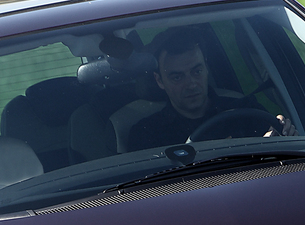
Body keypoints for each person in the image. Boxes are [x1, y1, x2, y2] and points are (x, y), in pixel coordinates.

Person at [126, 27, 294, 151]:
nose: (191, 84)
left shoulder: (246, 111)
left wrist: (284, 136)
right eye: (177, 77)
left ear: (206, 67)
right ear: (159, 80)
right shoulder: (147, 135)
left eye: (197, 71)